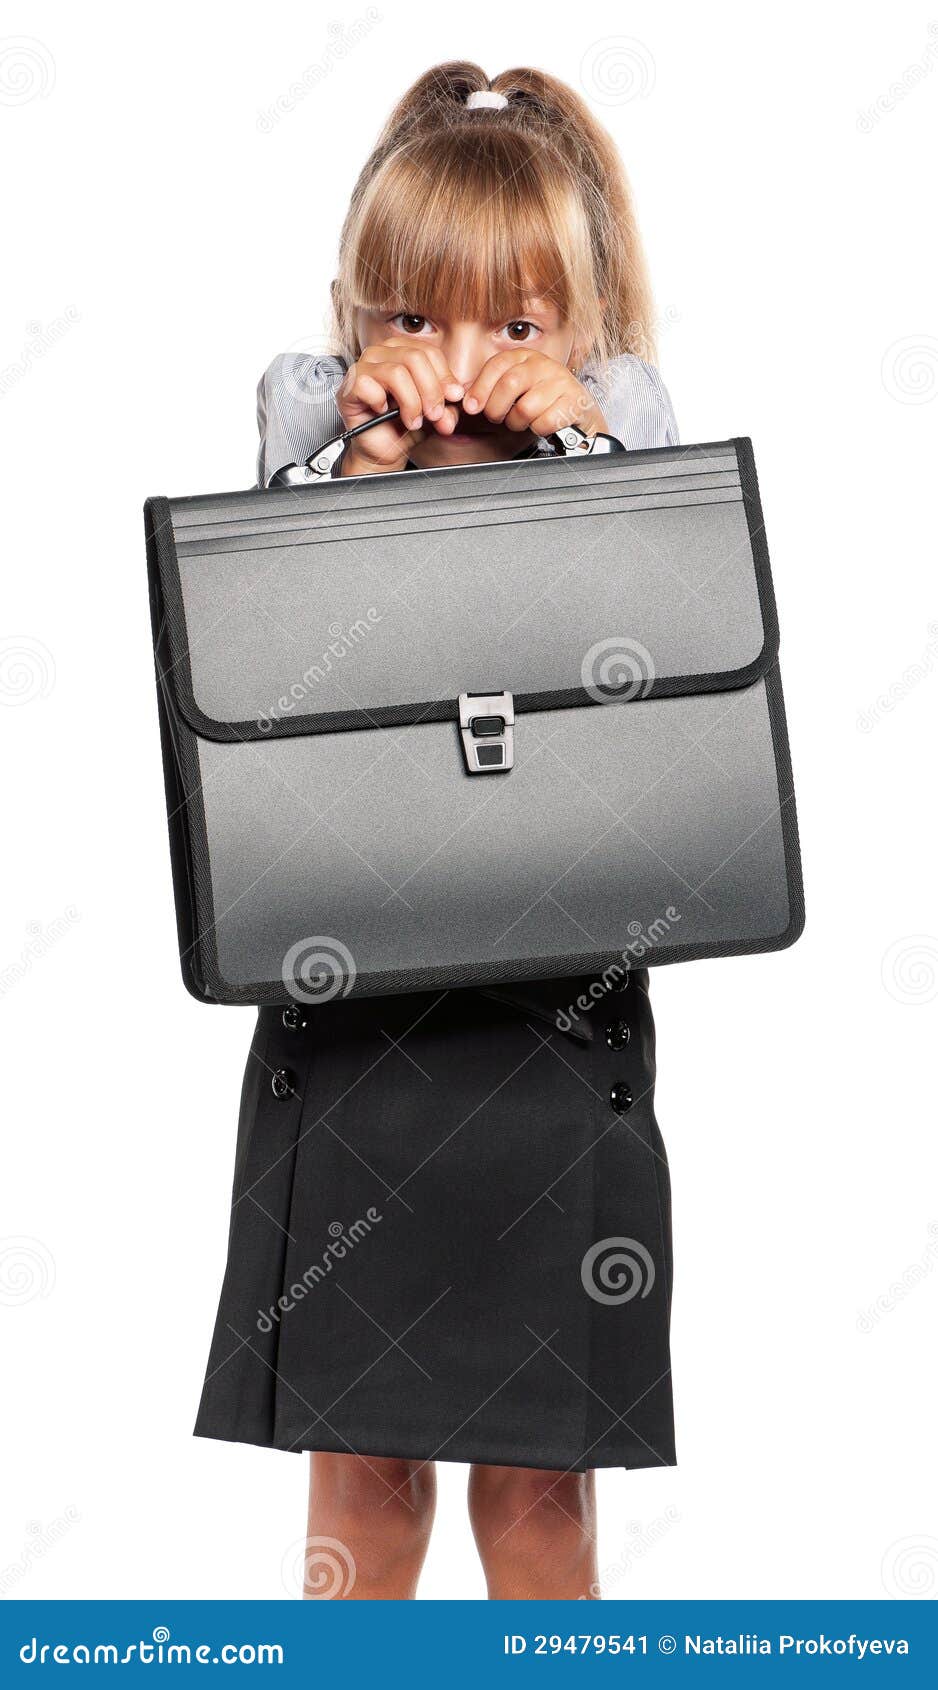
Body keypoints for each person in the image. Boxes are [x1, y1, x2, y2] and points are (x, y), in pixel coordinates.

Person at [196, 60, 680, 1602]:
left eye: (514, 327)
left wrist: (581, 457)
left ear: (583, 340)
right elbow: (258, 716)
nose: (460, 364)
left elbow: (671, 719)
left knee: (539, 1496)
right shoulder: (318, 475)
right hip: (356, 1031)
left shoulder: (620, 478)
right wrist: (364, 473)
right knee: (363, 1475)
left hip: (555, 1030)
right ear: (356, 329)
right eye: (413, 317)